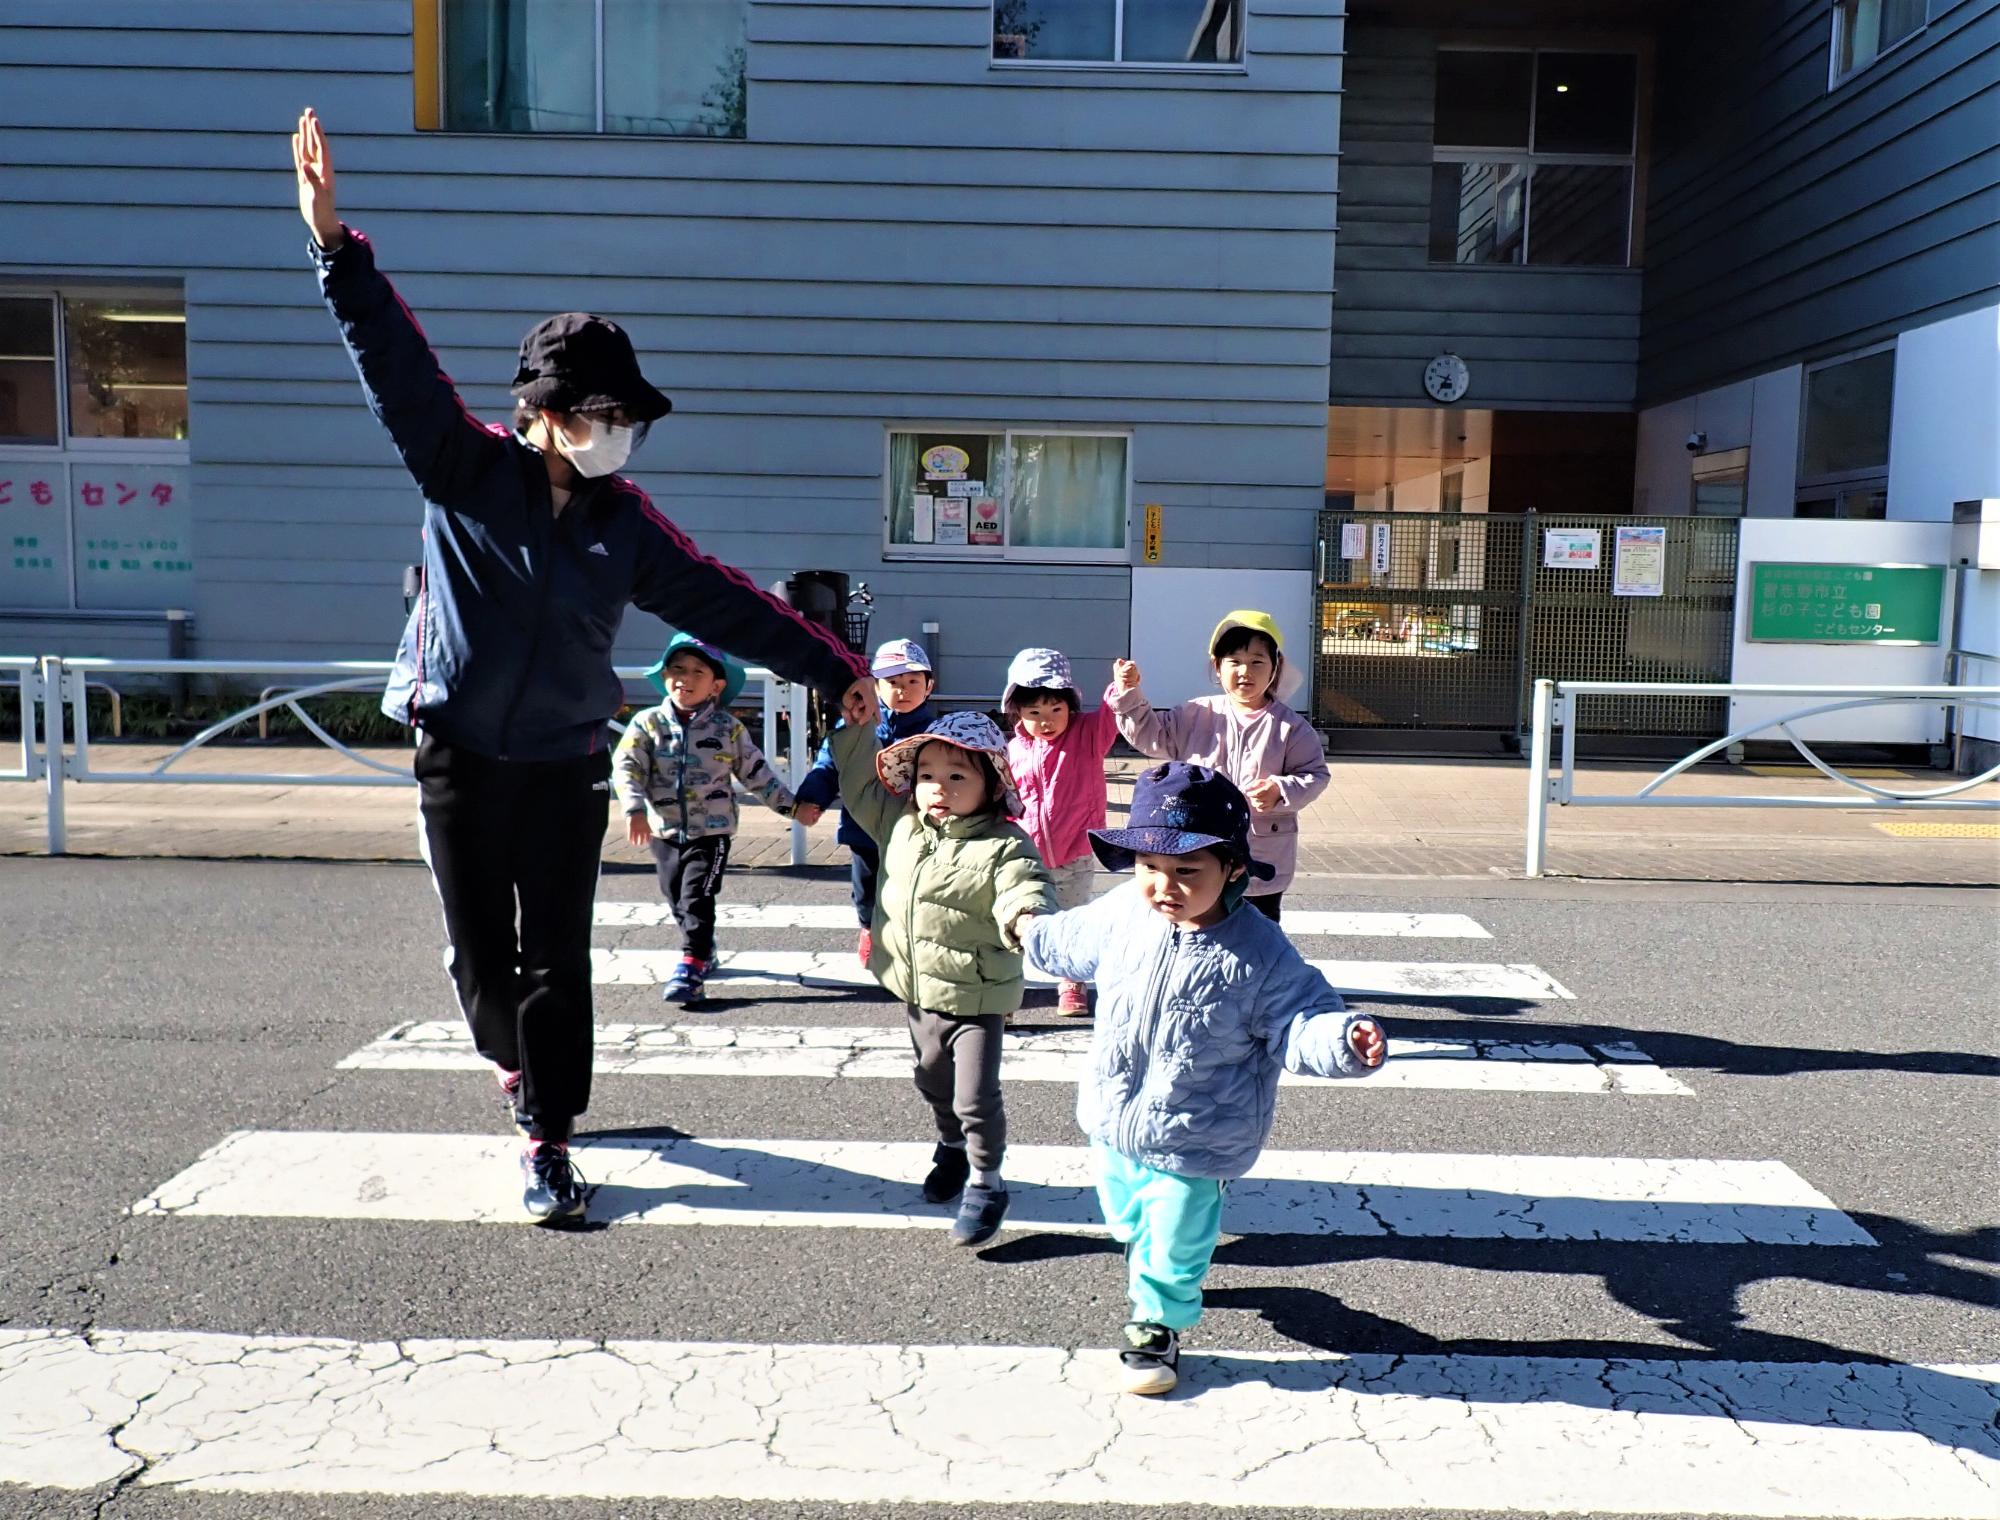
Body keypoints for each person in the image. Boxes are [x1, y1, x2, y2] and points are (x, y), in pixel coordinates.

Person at [292, 108, 874, 1224]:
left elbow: (718, 596)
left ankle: (546, 1133)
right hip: (457, 750)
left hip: (564, 759)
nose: (616, 432)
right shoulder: (462, 471)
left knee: (557, 952)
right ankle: (515, 1069)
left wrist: (825, 662)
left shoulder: (626, 522)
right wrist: (335, 245)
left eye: (627, 416)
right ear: (543, 414)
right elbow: (395, 367)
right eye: (597, 414)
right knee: (481, 961)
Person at [1018, 763, 1386, 1395]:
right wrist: (1026, 927)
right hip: (1112, 1113)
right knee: (1126, 1219)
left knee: (1175, 1231)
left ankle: (1155, 1325)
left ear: (1234, 869)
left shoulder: (1261, 950)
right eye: (1149, 868)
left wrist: (1343, 1040)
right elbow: (1067, 939)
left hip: (1199, 1131)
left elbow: (1302, 1018)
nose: (1165, 886)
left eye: (1188, 872)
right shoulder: (1122, 914)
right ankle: (1150, 1265)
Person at [831, 711, 1056, 1246]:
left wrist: (1027, 918)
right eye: (928, 774)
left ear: (991, 785)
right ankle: (951, 1147)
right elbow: (859, 783)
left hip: (977, 995)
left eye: (958, 776)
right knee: (933, 1078)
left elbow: (1025, 885)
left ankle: (986, 1181)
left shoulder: (1003, 844)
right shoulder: (900, 824)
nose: (940, 788)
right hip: (918, 990)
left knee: (975, 1096)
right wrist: (856, 725)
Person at [614, 633, 818, 1006]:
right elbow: (627, 767)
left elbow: (758, 774)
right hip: (664, 829)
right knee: (675, 895)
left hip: (713, 831)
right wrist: (634, 810)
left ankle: (691, 966)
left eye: (697, 672)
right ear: (663, 676)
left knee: (697, 896)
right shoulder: (648, 724)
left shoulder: (727, 729)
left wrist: (792, 808)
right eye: (677, 669)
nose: (685, 678)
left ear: (715, 686)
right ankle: (704, 947)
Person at [1108, 610, 1329, 922]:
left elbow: (1315, 775)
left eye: (1256, 661)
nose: (1244, 671)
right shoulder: (1196, 713)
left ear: (1275, 666)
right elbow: (1151, 736)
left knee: (1256, 937)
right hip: (1197, 852)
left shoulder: (1290, 728)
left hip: (1260, 855)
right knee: (1196, 929)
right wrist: (1129, 694)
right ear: (1217, 666)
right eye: (1234, 661)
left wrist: (1281, 789)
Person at [791, 638, 937, 965]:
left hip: (914, 830)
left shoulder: (937, 732)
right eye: (893, 682)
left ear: (929, 686)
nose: (903, 689)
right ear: (874, 687)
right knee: (867, 888)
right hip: (863, 828)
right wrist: (813, 796)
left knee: (914, 889)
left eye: (913, 681)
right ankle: (869, 928)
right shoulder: (857, 727)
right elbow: (830, 764)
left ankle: (909, 941)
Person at [1002, 647, 1120, 1016]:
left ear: (1071, 705)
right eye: (1034, 712)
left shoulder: (1087, 736)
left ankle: (1071, 983)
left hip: (1076, 853)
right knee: (1020, 922)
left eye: (1056, 709)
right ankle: (1004, 991)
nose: (1047, 720)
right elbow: (1005, 796)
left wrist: (1120, 688)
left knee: (1072, 920)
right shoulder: (1013, 750)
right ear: (1017, 711)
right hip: (1027, 856)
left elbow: (1110, 717)